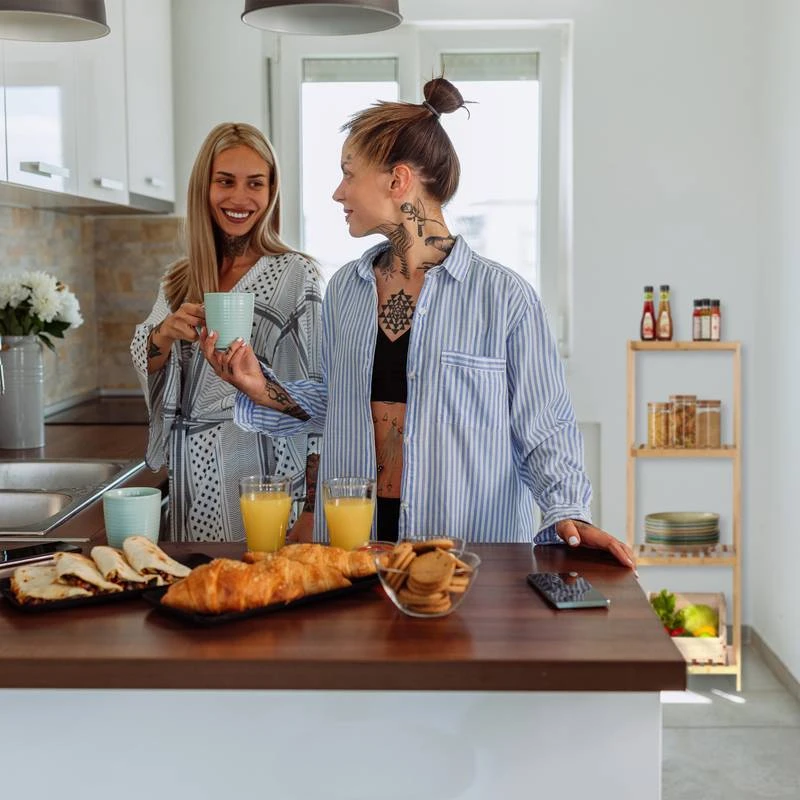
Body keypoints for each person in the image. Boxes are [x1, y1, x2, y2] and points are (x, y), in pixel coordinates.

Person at [201, 81, 635, 570]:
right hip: (354, 557)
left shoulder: (504, 298)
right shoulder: (346, 288)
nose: (337, 191)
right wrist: (260, 388)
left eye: (348, 174)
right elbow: (339, 404)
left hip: (466, 565)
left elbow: (544, 428)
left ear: (397, 181)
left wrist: (569, 511)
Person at [131, 122, 322, 543]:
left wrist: (312, 512)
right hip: (192, 481)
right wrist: (163, 334)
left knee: (263, 596)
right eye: (225, 182)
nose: (239, 198)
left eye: (255, 183)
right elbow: (148, 360)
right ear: (205, 187)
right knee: (204, 592)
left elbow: (319, 401)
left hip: (264, 478)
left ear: (272, 192)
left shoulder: (295, 275)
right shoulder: (179, 278)